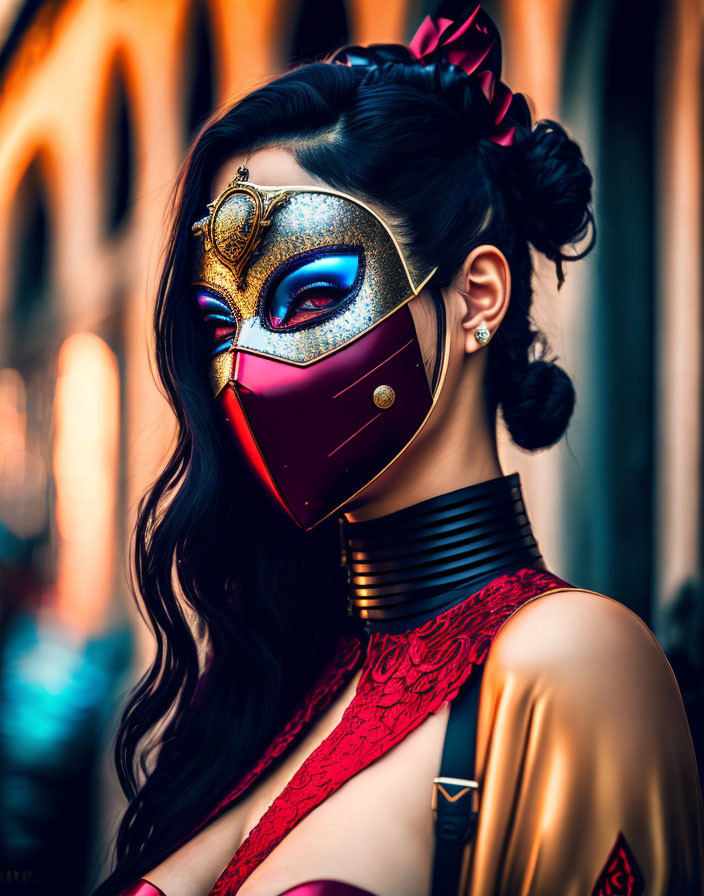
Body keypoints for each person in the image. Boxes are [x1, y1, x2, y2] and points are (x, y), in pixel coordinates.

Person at [95, 5, 704, 895]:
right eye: (221, 324)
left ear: (476, 296)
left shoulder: (572, 666)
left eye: (306, 298)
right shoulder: (277, 675)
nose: (241, 372)